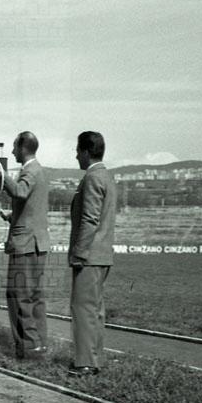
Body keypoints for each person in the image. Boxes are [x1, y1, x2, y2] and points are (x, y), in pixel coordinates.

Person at [0, 131, 49, 358]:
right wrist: (8, 215)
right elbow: (30, 209)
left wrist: (1, 172)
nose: (13, 151)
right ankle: (39, 343)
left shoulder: (30, 170)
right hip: (37, 243)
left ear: (23, 148)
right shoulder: (39, 170)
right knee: (34, 296)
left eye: (15, 147)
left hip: (25, 245)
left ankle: (28, 347)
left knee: (18, 295)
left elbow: (20, 191)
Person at [68, 131, 117, 376]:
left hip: (89, 256)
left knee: (83, 309)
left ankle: (85, 363)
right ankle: (95, 360)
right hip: (102, 254)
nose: (76, 156)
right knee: (95, 310)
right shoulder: (106, 176)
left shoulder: (92, 177)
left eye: (78, 151)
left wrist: (79, 253)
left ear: (87, 152)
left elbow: (89, 219)